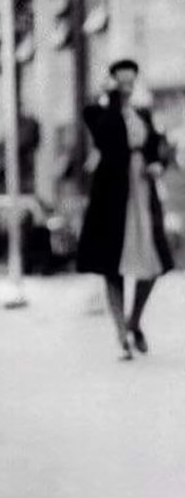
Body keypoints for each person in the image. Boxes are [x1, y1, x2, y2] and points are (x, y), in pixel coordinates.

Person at [77, 58, 173, 360]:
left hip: (142, 193)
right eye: (122, 81)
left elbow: (158, 144)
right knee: (111, 266)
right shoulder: (99, 112)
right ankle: (122, 336)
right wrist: (113, 99)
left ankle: (134, 320)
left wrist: (159, 162)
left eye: (132, 80)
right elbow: (105, 136)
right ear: (112, 83)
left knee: (154, 263)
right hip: (111, 196)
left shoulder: (143, 114)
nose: (128, 87)